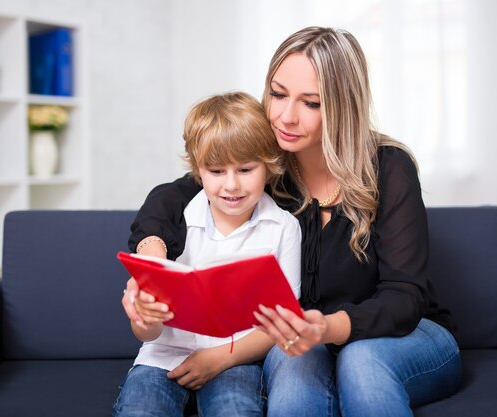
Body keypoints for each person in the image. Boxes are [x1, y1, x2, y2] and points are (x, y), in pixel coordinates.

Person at [125, 26, 461, 417]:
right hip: (299, 339)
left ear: (341, 107)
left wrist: (327, 328)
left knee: (361, 362)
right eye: (278, 94)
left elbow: (405, 298)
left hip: (403, 334)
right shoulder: (268, 162)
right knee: (293, 376)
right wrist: (151, 260)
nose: (285, 116)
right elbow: (176, 193)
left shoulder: (389, 168)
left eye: (311, 103)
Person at [114, 91, 302, 417]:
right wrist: (143, 318)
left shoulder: (284, 228)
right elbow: (147, 332)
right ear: (199, 171)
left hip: (235, 361)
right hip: (162, 357)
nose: (231, 185)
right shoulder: (176, 217)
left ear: (269, 167)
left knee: (236, 411)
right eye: (216, 171)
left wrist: (221, 357)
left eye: (245, 170)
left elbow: (283, 321)